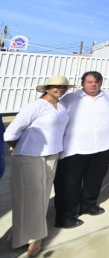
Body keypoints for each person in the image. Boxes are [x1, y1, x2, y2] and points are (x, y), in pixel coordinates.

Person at [4, 76, 72, 256]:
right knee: (31, 199)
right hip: (30, 156)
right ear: (47, 87)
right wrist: (23, 146)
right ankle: (36, 239)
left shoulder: (61, 105)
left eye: (63, 87)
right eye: (56, 86)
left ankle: (20, 236)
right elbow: (11, 133)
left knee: (42, 198)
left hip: (53, 154)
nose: (60, 89)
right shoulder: (35, 106)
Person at [54, 72, 109, 229]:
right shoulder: (69, 99)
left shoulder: (108, 98)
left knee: (94, 180)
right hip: (75, 149)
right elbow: (56, 121)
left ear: (101, 83)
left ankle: (89, 205)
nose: (93, 84)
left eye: (96, 81)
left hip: (102, 147)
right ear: (82, 83)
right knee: (69, 184)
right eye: (89, 82)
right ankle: (65, 216)